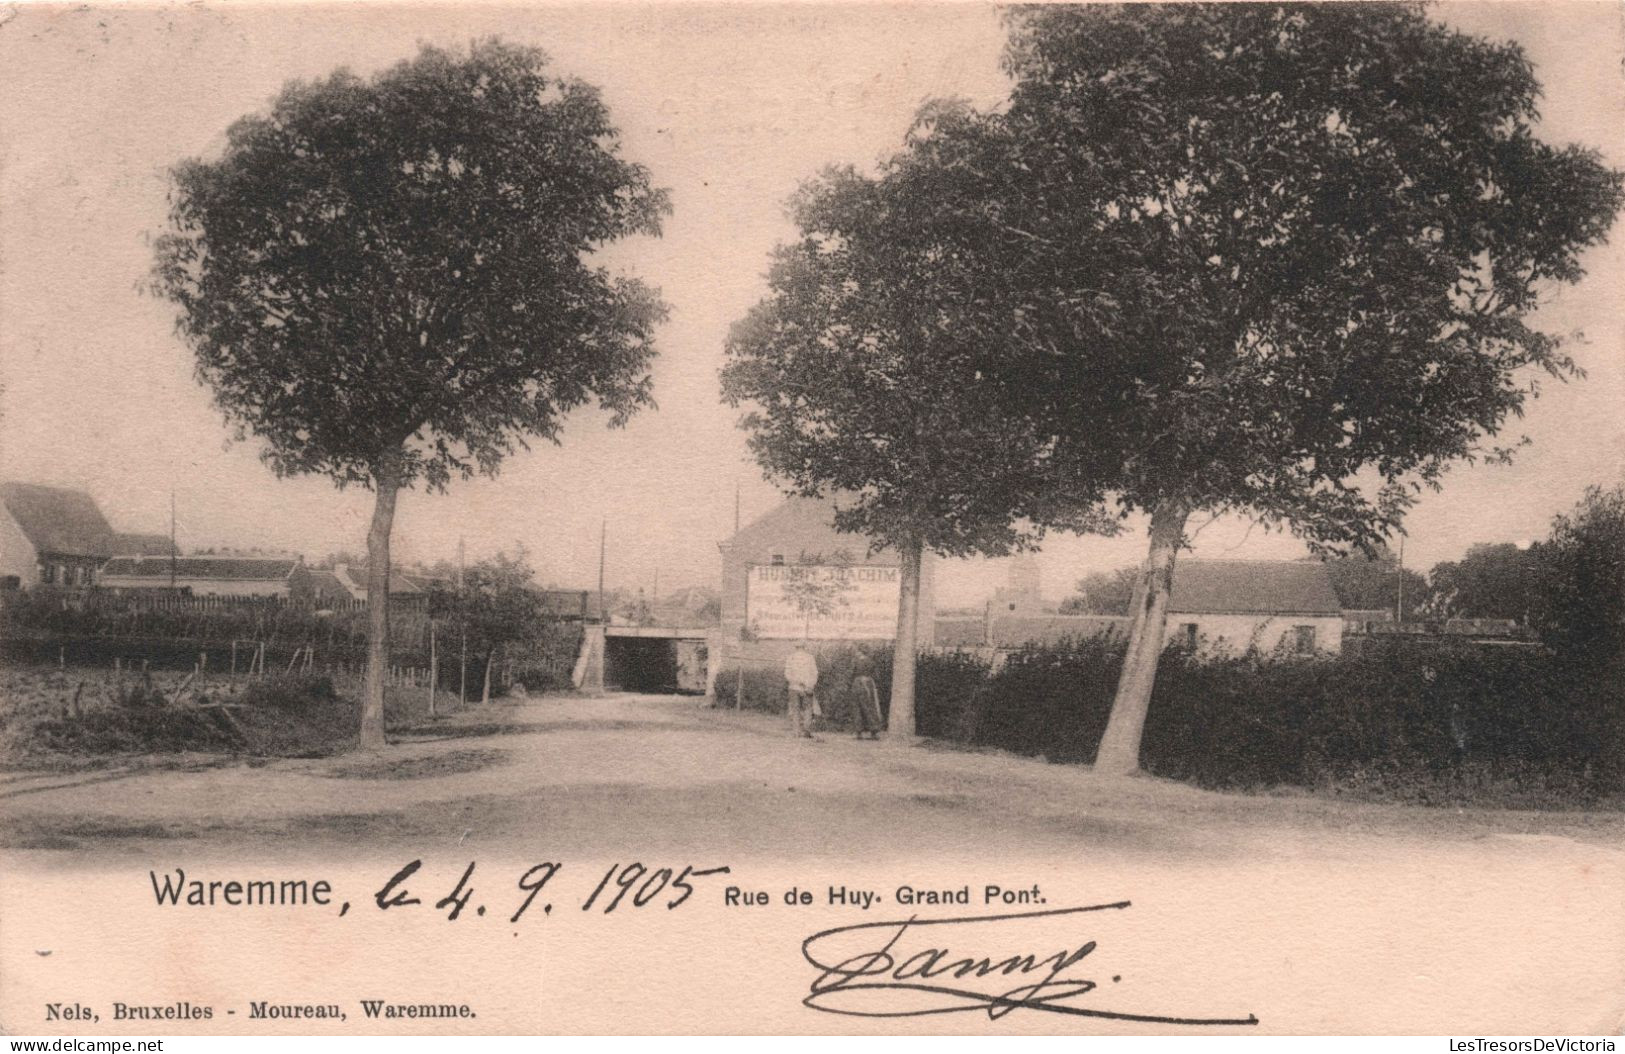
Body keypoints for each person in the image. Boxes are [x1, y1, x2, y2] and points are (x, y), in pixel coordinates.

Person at [785, 642, 820, 740]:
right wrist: (810, 685)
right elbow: (815, 673)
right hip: (807, 687)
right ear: (804, 647)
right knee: (808, 709)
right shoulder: (810, 658)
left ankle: (796, 732)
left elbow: (787, 675)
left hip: (794, 687)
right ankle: (806, 731)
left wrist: (797, 681)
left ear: (795, 647)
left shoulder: (790, 657)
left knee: (795, 710)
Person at [850, 658, 883, 740]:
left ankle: (859, 732)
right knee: (869, 707)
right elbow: (876, 675)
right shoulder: (871, 661)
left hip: (858, 683)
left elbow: (851, 673)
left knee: (857, 708)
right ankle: (874, 731)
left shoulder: (855, 661)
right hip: (868, 683)